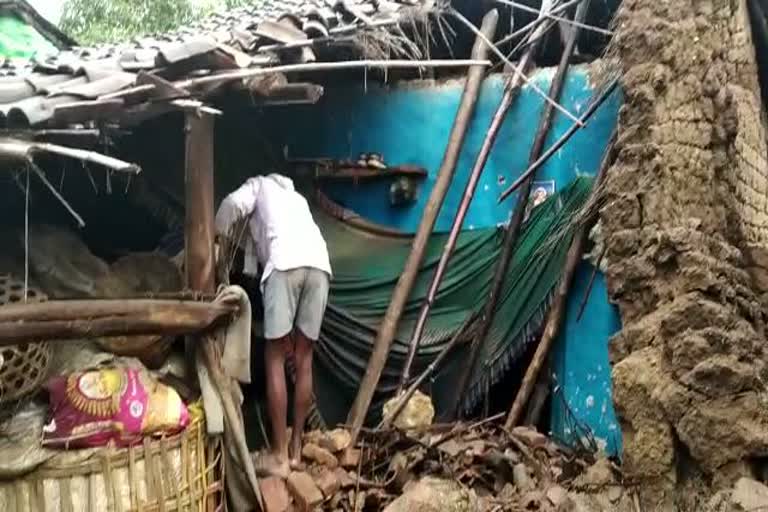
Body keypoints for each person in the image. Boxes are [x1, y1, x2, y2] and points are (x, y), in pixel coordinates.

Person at [215, 173, 331, 478]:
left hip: (284, 263)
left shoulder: (257, 186)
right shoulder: (297, 199)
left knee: (274, 357)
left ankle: (278, 455)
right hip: (319, 266)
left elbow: (231, 205)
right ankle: (295, 451)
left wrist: (216, 238)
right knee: (304, 358)